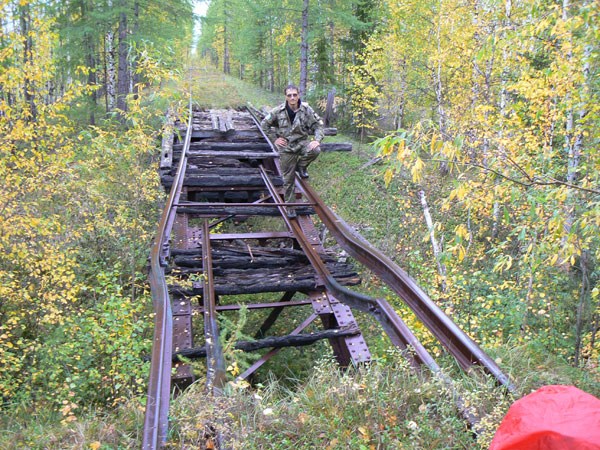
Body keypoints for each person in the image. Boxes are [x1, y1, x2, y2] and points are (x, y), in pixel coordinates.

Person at [261, 84, 324, 207]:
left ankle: (301, 166)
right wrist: (275, 139)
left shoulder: (306, 109)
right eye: (289, 95)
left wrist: (317, 139)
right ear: (286, 97)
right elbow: (264, 124)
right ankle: (290, 206)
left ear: (298, 95)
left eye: (295, 95)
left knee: (315, 149)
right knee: (288, 180)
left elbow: (318, 125)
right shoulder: (278, 111)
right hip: (286, 147)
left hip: (302, 143)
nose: (292, 97)